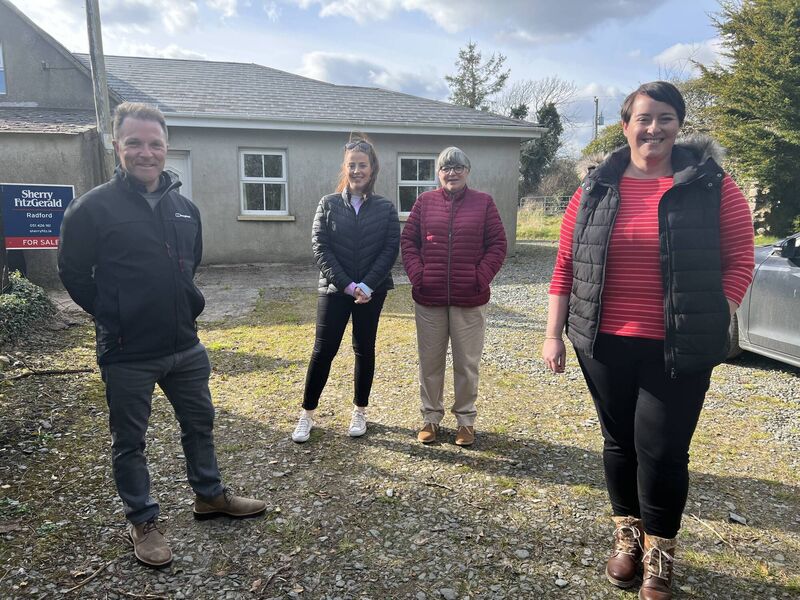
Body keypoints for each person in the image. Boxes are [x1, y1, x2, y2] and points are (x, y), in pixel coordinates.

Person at [542, 82, 754, 599]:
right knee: (619, 444)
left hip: (676, 347)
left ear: (679, 125)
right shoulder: (593, 188)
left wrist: (711, 315)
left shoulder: (710, 185)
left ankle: (661, 552)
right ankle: (627, 536)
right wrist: (553, 333)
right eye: (643, 118)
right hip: (603, 342)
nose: (653, 128)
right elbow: (567, 264)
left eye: (664, 118)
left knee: (662, 450)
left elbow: (741, 259)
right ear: (625, 126)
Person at [58, 102, 266, 569]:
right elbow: (72, 273)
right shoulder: (91, 209)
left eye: (154, 143)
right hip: (127, 352)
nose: (145, 152)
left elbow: (188, 265)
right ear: (117, 145)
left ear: (166, 147)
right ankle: (143, 520)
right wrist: (114, 315)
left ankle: (209, 496)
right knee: (129, 442)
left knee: (200, 424)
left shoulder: (185, 210)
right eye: (134, 142)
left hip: (184, 346)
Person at [291, 134, 400, 443]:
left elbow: (390, 249)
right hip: (335, 291)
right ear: (345, 168)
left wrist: (366, 285)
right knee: (323, 350)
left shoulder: (385, 208)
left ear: (372, 168)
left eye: (362, 165)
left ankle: (360, 410)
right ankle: (307, 413)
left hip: (371, 292)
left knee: (364, 350)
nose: (356, 171)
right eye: (351, 165)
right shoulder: (327, 204)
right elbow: (320, 248)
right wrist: (348, 285)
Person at [401, 147, 507, 447]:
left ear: (467, 171)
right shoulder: (424, 203)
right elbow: (409, 242)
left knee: (467, 363)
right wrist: (419, 275)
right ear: (439, 173)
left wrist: (479, 277)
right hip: (429, 298)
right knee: (430, 363)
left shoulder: (484, 203)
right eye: (446, 167)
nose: (452, 172)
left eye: (458, 167)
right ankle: (430, 418)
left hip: (468, 299)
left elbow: (498, 244)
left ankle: (466, 421)